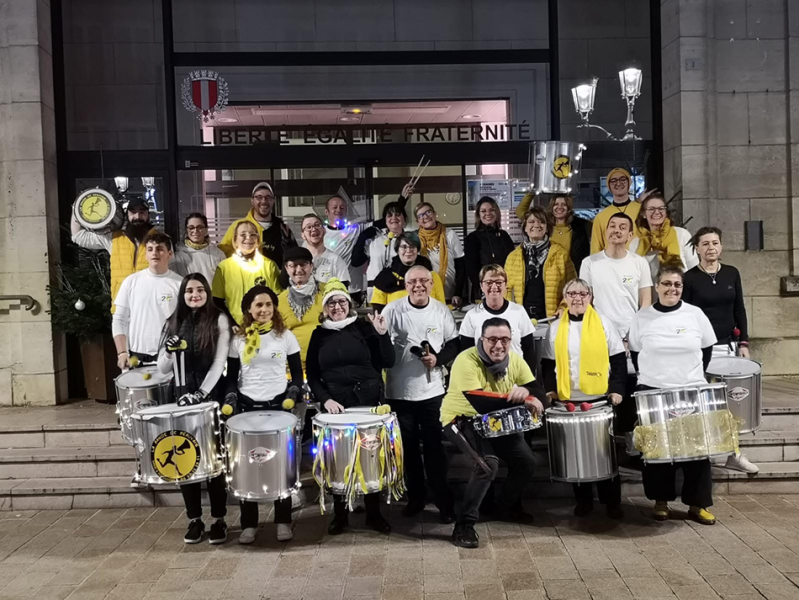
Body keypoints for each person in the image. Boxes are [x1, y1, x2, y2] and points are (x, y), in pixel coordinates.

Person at [441, 318, 546, 548]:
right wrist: (525, 399)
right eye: (492, 339)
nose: (499, 345)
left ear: (511, 341)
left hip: (496, 421)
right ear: (482, 339)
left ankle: (502, 508)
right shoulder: (465, 360)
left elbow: (539, 388)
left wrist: (528, 391)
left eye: (505, 340)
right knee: (487, 465)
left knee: (527, 462)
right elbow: (483, 403)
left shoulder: (515, 360)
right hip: (462, 418)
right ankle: (463, 525)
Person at [628, 265, 718, 525]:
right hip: (653, 390)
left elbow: (706, 350)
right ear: (656, 287)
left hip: (691, 390)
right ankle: (661, 501)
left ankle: (697, 504)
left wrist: (689, 376)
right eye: (666, 284)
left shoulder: (695, 314)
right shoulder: (642, 317)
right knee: (656, 451)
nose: (672, 289)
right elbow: (636, 353)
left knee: (698, 451)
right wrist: (655, 377)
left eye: (677, 285)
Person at [306, 279, 395, 535]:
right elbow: (312, 374)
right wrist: (325, 399)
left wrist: (382, 334)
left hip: (368, 402)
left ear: (349, 304)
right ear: (324, 308)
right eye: (331, 303)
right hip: (337, 406)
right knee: (338, 459)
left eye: (341, 301)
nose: (337, 306)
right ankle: (340, 513)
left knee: (370, 456)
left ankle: (374, 513)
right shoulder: (318, 335)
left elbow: (388, 360)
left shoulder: (364, 329)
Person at [540, 279, 627, 518]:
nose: (577, 298)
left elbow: (618, 360)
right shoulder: (556, 327)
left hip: (599, 399)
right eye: (572, 293)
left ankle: (612, 503)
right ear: (565, 298)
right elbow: (548, 363)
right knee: (576, 452)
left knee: (604, 452)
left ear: (590, 296)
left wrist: (617, 389)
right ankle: (584, 502)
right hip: (569, 399)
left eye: (583, 293)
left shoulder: (604, 323)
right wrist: (550, 390)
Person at [156, 273, 231, 544]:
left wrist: (200, 394)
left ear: (208, 293)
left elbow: (220, 361)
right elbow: (162, 370)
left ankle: (219, 519)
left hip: (210, 400)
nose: (195, 295)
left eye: (200, 290)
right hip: (180, 400)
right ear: (183, 295)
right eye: (189, 291)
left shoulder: (219, 319)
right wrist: (167, 350)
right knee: (185, 461)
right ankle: (194, 520)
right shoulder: (173, 321)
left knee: (214, 462)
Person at [225, 285, 304, 544]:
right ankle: (249, 523)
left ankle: (283, 520)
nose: (264, 310)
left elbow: (297, 375)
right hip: (248, 408)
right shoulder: (238, 339)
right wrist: (231, 400)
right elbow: (231, 378)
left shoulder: (285, 336)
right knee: (248, 466)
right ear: (248, 309)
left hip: (278, 408)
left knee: (279, 465)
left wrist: (293, 395)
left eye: (269, 305)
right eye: (258, 305)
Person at [382, 265, 459, 522]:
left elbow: (454, 343)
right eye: (413, 281)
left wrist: (438, 360)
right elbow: (381, 344)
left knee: (435, 449)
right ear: (406, 285)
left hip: (432, 391)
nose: (418, 286)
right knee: (408, 449)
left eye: (424, 281)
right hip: (399, 391)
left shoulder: (440, 309)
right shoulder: (392, 310)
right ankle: (416, 497)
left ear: (431, 283)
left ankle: (443, 500)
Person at [683, 227, 757, 474]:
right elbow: (687, 316)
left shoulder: (731, 274)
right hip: (700, 351)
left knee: (730, 404)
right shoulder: (689, 278)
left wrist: (744, 342)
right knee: (702, 404)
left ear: (721, 247)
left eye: (715, 243)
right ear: (697, 249)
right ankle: (701, 454)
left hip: (729, 347)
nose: (710, 248)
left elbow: (740, 310)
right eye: (705, 244)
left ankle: (734, 454)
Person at [580, 212, 652, 455]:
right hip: (601, 336)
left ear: (630, 235)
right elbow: (585, 301)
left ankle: (631, 438)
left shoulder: (639, 263)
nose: (616, 230)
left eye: (623, 227)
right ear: (605, 231)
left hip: (633, 336)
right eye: (612, 226)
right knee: (606, 386)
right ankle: (604, 441)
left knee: (632, 387)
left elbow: (645, 302)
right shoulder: (590, 263)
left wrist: (633, 335)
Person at [112, 232, 182, 369]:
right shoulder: (131, 282)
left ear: (170, 254)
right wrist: (121, 352)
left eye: (160, 249)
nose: (154, 253)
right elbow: (119, 319)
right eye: (150, 249)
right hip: (135, 360)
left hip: (169, 360)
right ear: (146, 255)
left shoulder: (180, 284)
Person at [71, 196, 157, 305]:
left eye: (142, 212)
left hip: (151, 306)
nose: (137, 216)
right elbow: (78, 237)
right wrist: (77, 207)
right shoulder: (114, 238)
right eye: (133, 212)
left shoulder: (161, 240)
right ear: (127, 215)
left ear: (148, 215)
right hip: (122, 306)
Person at [459, 265, 536, 370]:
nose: (494, 287)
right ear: (481, 286)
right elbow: (466, 355)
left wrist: (529, 384)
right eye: (489, 283)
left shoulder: (519, 311)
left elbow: (529, 351)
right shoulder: (471, 316)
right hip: (483, 379)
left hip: (515, 379)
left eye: (499, 282)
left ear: (506, 285)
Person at [504, 206, 576, 320]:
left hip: (552, 320)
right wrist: (510, 314)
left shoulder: (561, 255)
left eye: (541, 222)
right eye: (531, 222)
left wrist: (563, 307)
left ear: (547, 228)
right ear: (525, 228)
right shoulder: (513, 257)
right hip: (521, 321)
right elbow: (506, 289)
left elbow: (573, 287)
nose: (536, 225)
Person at [212, 220, 282, 326]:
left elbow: (278, 299)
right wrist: (232, 324)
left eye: (253, 234)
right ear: (235, 240)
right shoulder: (223, 268)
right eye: (243, 235)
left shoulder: (269, 265)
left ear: (258, 240)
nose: (248, 238)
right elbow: (217, 301)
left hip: (265, 328)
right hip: (235, 329)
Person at [218, 182, 297, 266]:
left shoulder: (283, 229)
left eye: (268, 197)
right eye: (259, 197)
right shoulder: (238, 227)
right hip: (245, 277)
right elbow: (221, 253)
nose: (264, 201)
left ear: (273, 201)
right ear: (252, 201)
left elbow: (295, 256)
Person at [630, 191, 698, 281]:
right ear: (643, 214)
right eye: (651, 209)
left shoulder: (682, 235)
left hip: (681, 291)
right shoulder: (636, 243)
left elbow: (694, 269)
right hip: (650, 293)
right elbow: (632, 277)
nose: (657, 212)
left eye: (661, 208)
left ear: (666, 212)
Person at [370, 233, 446, 312]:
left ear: (417, 250)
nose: (408, 250)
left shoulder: (432, 276)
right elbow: (378, 312)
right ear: (397, 250)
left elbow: (441, 308)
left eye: (412, 246)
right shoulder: (384, 278)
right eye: (404, 247)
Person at [277, 247, 325, 370]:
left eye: (303, 264)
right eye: (293, 265)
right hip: (293, 368)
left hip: (324, 365)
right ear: (287, 269)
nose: (299, 270)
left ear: (311, 266)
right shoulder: (279, 301)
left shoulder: (327, 292)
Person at [352, 199, 410, 301]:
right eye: (389, 215)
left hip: (400, 290)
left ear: (404, 219)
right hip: (375, 289)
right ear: (385, 220)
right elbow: (356, 261)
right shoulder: (375, 238)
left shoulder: (410, 241)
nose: (393, 218)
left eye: (397, 214)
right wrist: (362, 238)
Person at [464, 197, 515, 303]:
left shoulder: (504, 235)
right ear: (478, 215)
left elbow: (513, 262)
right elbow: (472, 270)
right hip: (483, 292)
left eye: (491, 210)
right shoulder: (472, 238)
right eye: (483, 211)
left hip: (505, 290)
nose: (488, 213)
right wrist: (482, 289)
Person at [415, 202, 465, 308]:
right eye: (421, 215)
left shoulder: (450, 234)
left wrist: (458, 293)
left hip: (450, 296)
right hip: (426, 296)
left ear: (434, 214)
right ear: (417, 221)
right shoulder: (415, 239)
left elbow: (461, 267)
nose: (426, 217)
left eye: (428, 212)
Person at [590, 168, 642, 253]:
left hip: (638, 262)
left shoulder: (641, 210)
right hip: (611, 264)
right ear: (609, 186)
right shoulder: (600, 217)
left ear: (629, 183)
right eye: (613, 180)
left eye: (622, 179)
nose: (618, 183)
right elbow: (595, 250)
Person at [171, 213, 225, 284]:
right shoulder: (179, 256)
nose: (195, 231)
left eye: (200, 227)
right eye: (191, 228)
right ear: (186, 231)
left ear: (206, 230)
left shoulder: (218, 254)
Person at [299, 214, 350, 287]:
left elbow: (343, 291)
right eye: (309, 227)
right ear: (303, 235)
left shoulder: (336, 260)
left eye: (317, 225)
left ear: (324, 230)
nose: (313, 229)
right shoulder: (298, 262)